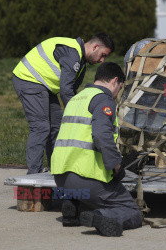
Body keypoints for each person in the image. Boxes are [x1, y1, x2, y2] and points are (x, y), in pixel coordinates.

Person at [51, 62, 143, 237]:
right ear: (115, 81)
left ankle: (73, 206)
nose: (117, 93)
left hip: (61, 179)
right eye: (120, 87)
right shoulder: (103, 99)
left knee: (85, 191)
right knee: (132, 211)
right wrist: (116, 166)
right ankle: (101, 216)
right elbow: (101, 135)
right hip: (87, 178)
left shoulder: (77, 98)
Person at [12, 33, 114, 174]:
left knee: (56, 126)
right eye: (103, 55)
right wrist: (78, 113)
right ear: (95, 47)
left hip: (45, 86)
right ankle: (34, 173)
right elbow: (66, 91)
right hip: (29, 79)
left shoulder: (81, 62)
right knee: (41, 127)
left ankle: (57, 169)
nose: (102, 60)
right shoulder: (73, 54)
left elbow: (72, 90)